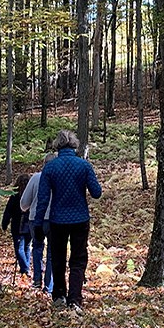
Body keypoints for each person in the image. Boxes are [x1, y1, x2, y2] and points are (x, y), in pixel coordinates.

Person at [34, 130, 102, 311]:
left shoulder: (50, 167)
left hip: (57, 220)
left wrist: (38, 223)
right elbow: (96, 193)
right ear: (74, 145)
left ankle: (58, 296)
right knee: (78, 260)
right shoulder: (84, 165)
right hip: (80, 219)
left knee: (57, 258)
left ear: (57, 145)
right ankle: (75, 300)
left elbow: (42, 199)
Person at [20, 153, 56, 293]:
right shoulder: (58, 179)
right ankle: (49, 286)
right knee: (52, 252)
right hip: (54, 220)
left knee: (37, 247)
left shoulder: (35, 178)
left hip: (35, 219)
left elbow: (23, 204)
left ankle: (36, 281)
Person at [1, 173, 32, 277]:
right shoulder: (31, 196)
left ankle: (25, 269)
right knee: (26, 247)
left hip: (18, 226)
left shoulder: (15, 196)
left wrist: (4, 224)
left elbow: (8, 211)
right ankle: (25, 269)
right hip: (29, 225)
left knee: (20, 248)